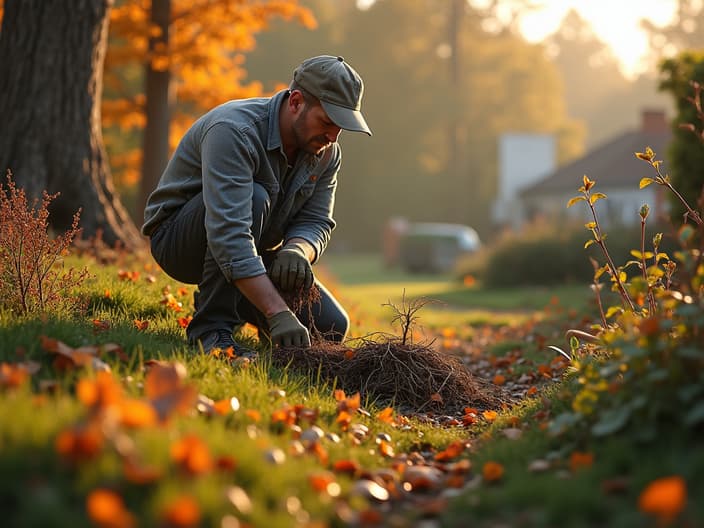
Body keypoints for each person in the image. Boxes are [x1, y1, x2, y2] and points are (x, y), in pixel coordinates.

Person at [141, 55, 372, 356]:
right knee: (254, 198)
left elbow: (317, 220)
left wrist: (297, 250)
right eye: (327, 121)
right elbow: (229, 234)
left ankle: (254, 315)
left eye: (342, 126)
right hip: (179, 240)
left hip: (253, 246)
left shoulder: (327, 152)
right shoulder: (234, 131)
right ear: (296, 102)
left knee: (330, 327)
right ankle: (211, 331)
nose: (333, 136)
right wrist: (277, 312)